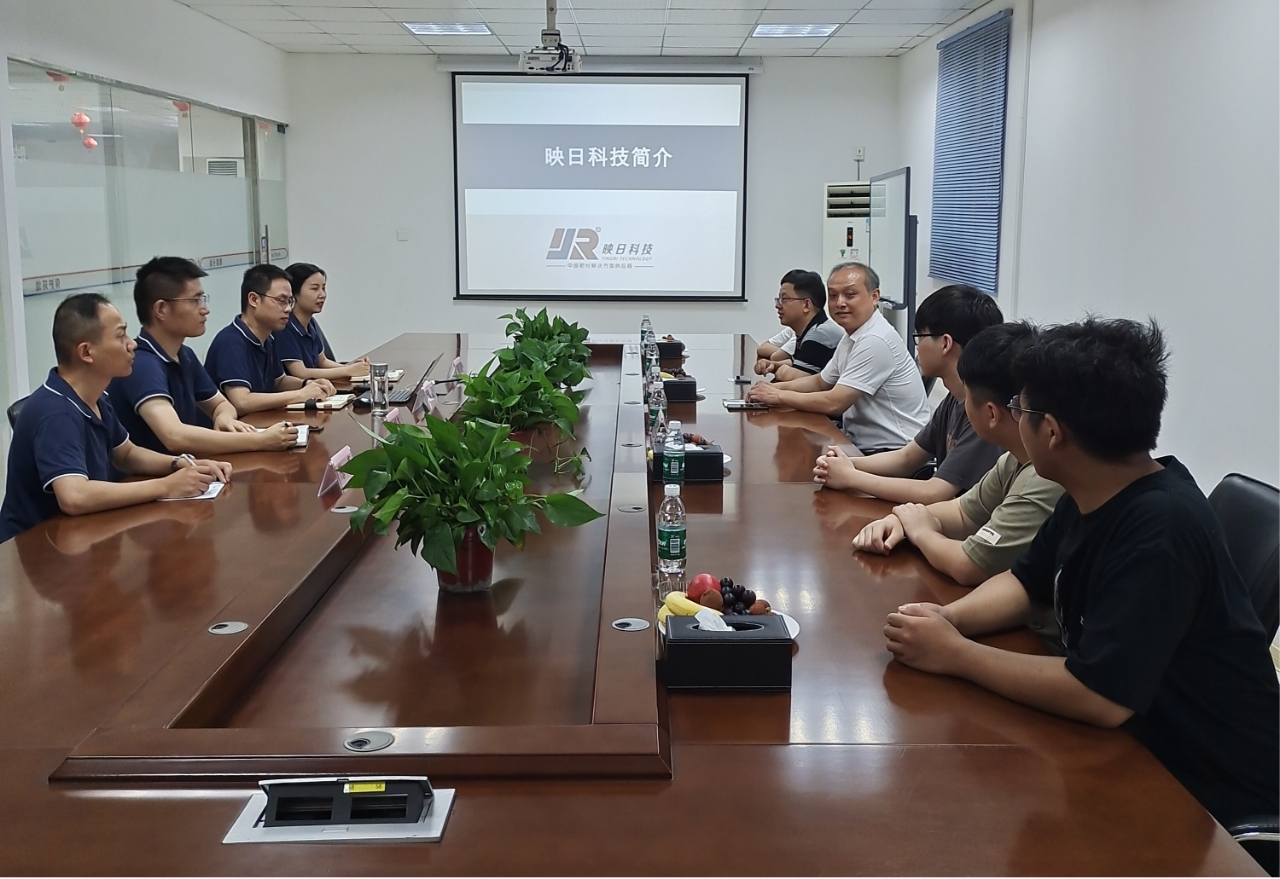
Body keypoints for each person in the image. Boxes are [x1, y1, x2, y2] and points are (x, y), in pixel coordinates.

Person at [883, 318, 1279, 832]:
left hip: (1203, 795)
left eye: (1021, 407)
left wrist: (956, 654)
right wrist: (947, 620)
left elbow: (1100, 697)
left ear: (1051, 432)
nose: (1013, 418)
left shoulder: (1161, 529)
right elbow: (1025, 583)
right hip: (1132, 750)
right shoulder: (1092, 487)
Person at [0, 294, 232, 544]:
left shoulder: (97, 398)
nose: (132, 344)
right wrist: (166, 486)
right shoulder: (56, 411)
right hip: (36, 548)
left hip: (83, 536)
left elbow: (127, 454)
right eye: (121, 336)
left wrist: (183, 463)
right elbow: (74, 496)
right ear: (86, 352)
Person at [852, 321, 1064, 589]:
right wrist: (902, 518)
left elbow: (969, 566)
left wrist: (920, 531)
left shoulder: (1042, 477)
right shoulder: (1013, 459)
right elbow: (963, 512)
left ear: (991, 413)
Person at [814, 285, 1003, 502]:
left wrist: (850, 477)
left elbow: (935, 492)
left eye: (920, 336)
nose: (917, 347)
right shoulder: (953, 399)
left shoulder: (983, 413)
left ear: (945, 344)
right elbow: (907, 458)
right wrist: (845, 463)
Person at [108, 257, 299, 455]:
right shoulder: (142, 363)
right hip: (157, 473)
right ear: (161, 309)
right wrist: (261, 440)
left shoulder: (185, 355)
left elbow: (222, 404)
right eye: (195, 300)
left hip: (190, 467)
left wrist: (223, 417)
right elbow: (174, 436)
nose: (205, 309)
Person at [746, 262, 929, 454]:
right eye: (833, 296)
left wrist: (778, 396)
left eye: (850, 295)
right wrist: (774, 389)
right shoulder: (852, 336)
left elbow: (834, 403)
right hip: (860, 442)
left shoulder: (875, 340)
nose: (840, 303)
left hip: (893, 451)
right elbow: (820, 382)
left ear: (874, 296)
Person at [203, 264, 335, 416]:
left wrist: (308, 383)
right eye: (281, 300)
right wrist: (300, 394)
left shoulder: (268, 339)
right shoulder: (231, 342)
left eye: (290, 301)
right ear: (254, 300)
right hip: (231, 428)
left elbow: (279, 381)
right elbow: (241, 401)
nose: (288, 309)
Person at [275, 263, 370, 382]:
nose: (322, 295)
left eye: (323, 288)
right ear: (293, 293)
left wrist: (354, 368)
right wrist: (347, 371)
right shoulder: (285, 326)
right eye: (315, 289)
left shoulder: (310, 323)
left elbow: (323, 361)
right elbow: (300, 373)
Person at [752, 269, 844, 381]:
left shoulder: (820, 334)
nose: (778, 305)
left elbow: (793, 377)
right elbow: (796, 363)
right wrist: (772, 365)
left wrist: (782, 370)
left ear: (806, 305)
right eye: (778, 299)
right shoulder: (809, 329)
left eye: (784, 299)